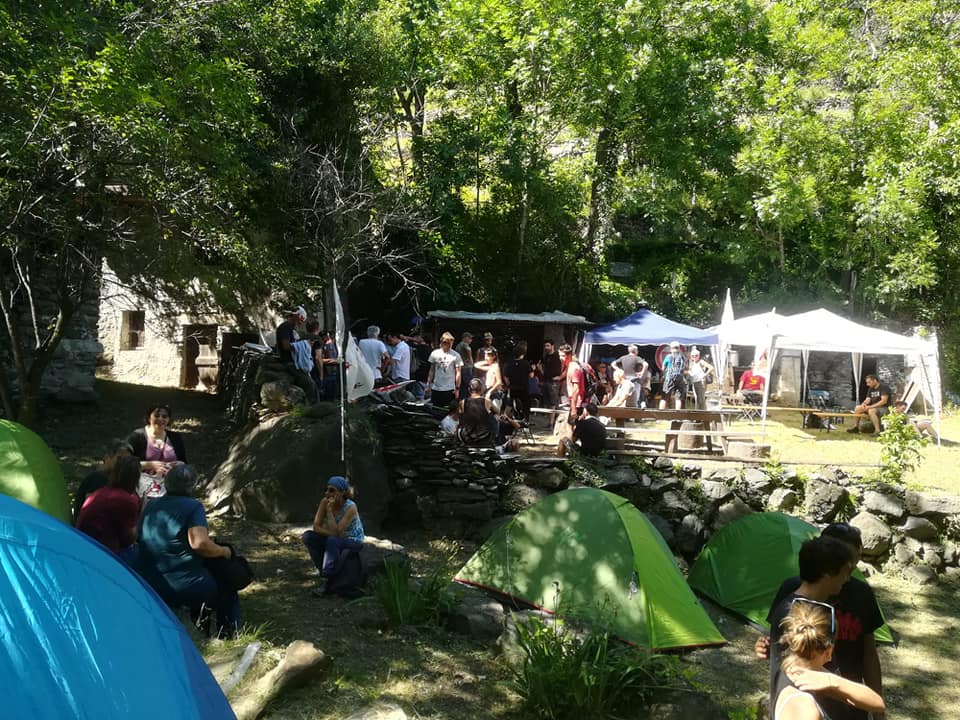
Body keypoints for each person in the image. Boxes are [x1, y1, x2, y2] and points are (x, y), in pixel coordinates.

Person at [760, 524, 886, 720]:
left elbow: (875, 700)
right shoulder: (804, 702)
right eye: (846, 570)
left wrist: (831, 681)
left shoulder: (814, 673)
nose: (848, 578)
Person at [137, 465, 240, 638]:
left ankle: (198, 622)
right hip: (182, 585)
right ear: (192, 486)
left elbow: (138, 535)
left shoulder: (151, 504)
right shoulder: (193, 507)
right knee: (228, 580)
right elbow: (200, 544)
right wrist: (224, 551)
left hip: (147, 580)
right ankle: (227, 632)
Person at [773, 599, 884, 720]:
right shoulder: (804, 708)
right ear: (829, 651)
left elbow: (877, 704)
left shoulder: (793, 669)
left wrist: (832, 681)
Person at [302, 476, 366, 598]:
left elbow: (337, 531)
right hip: (336, 538)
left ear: (342, 493)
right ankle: (324, 570)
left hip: (353, 540)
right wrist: (333, 534)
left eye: (332, 490)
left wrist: (330, 512)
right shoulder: (324, 502)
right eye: (326, 490)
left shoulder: (351, 507)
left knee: (333, 541)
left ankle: (328, 577)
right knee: (308, 537)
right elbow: (316, 527)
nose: (327, 493)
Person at [76, 454, 141, 565]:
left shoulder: (102, 491)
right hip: (102, 553)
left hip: (83, 543)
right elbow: (129, 540)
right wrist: (142, 511)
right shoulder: (127, 500)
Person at [126, 403, 187, 499]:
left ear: (169, 419)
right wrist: (149, 465)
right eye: (157, 416)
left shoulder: (175, 437)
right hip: (141, 488)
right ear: (149, 418)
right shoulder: (137, 436)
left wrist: (179, 465)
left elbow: (184, 462)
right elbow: (124, 463)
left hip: (170, 488)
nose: (160, 419)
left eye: (164, 416)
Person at [72, 438, 134, 524]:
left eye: (127, 460)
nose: (124, 463)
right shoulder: (97, 479)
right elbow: (91, 510)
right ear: (107, 458)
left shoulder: (113, 478)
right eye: (120, 459)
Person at [457, 378, 498, 446]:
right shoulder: (487, 401)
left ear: (469, 389)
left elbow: (460, 418)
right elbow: (498, 412)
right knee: (496, 418)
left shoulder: (462, 402)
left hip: (466, 437)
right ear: (481, 389)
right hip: (485, 437)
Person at [426, 332, 463, 408]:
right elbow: (431, 370)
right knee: (436, 409)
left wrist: (457, 388)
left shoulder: (456, 355)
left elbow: (458, 373)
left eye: (450, 343)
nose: (449, 345)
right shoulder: (435, 353)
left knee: (448, 410)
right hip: (436, 387)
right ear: (442, 342)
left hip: (449, 388)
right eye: (446, 342)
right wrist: (428, 384)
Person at [503, 342, 534, 420]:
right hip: (523, 388)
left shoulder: (509, 363)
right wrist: (533, 369)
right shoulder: (526, 363)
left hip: (513, 387)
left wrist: (509, 384)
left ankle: (505, 418)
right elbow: (531, 375)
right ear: (522, 354)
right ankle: (525, 420)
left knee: (510, 404)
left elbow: (505, 376)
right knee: (525, 404)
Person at [660, 341, 687, 409]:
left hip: (669, 377)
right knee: (678, 398)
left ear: (671, 348)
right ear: (679, 348)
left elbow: (663, 368)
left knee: (664, 397)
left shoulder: (669, 356)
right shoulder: (682, 357)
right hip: (680, 378)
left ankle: (660, 413)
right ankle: (677, 414)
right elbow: (684, 368)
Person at [539, 340, 563, 408]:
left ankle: (553, 415)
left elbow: (564, 366)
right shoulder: (546, 356)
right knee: (546, 402)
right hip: (546, 380)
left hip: (554, 381)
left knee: (553, 402)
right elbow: (540, 365)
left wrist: (560, 376)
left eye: (548, 346)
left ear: (552, 346)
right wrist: (541, 371)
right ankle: (549, 415)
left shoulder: (557, 355)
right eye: (545, 346)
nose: (546, 347)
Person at [454, 332, 475, 397]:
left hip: (460, 368)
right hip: (466, 368)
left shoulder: (458, 345)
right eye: (470, 338)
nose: (471, 340)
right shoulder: (464, 345)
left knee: (462, 387)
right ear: (465, 338)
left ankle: (462, 400)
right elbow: (468, 350)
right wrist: (471, 361)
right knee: (469, 386)